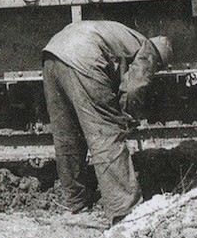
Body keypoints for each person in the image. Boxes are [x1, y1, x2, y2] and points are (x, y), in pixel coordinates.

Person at [41, 20, 173, 224]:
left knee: (67, 135)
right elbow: (133, 88)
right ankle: (125, 210)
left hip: (53, 54)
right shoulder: (150, 50)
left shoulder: (129, 37)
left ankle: (76, 202)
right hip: (84, 57)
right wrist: (126, 117)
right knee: (107, 134)